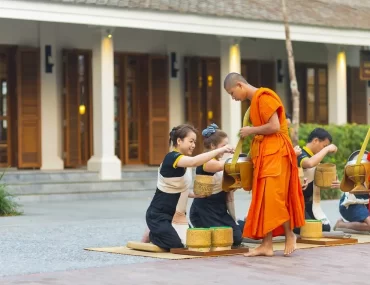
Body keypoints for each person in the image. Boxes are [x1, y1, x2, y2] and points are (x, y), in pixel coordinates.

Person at [224, 72, 305, 257]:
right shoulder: (255, 102)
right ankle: (266, 244)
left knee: (274, 196)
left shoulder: (264, 96)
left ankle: (289, 233)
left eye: (232, 93)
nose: (233, 98)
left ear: (239, 85)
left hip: (277, 152)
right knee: (264, 199)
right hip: (266, 154)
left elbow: (274, 126)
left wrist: (250, 130)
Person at [145, 124, 234, 251]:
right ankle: (153, 233)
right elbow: (194, 162)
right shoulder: (172, 158)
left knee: (192, 242)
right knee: (176, 245)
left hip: (172, 215)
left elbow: (180, 188)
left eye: (195, 142)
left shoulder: (183, 161)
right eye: (191, 141)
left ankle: (161, 231)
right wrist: (220, 150)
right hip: (157, 215)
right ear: (179, 141)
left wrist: (196, 195)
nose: (193, 145)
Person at [189, 124, 242, 247]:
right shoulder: (207, 163)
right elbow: (224, 166)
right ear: (213, 146)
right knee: (224, 239)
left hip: (220, 209)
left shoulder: (219, 162)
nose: (227, 148)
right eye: (224, 146)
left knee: (236, 237)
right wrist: (238, 157)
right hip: (204, 211)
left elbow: (228, 186)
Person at [296, 128, 340, 232]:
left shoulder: (315, 158)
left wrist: (333, 183)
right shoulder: (300, 153)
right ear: (315, 140)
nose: (324, 149)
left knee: (325, 228)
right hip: (296, 203)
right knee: (309, 229)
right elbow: (309, 163)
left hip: (308, 204)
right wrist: (327, 149)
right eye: (324, 145)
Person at [334, 150, 370, 232]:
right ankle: (341, 224)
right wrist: (343, 184)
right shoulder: (364, 165)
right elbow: (355, 178)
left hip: (366, 203)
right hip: (352, 203)